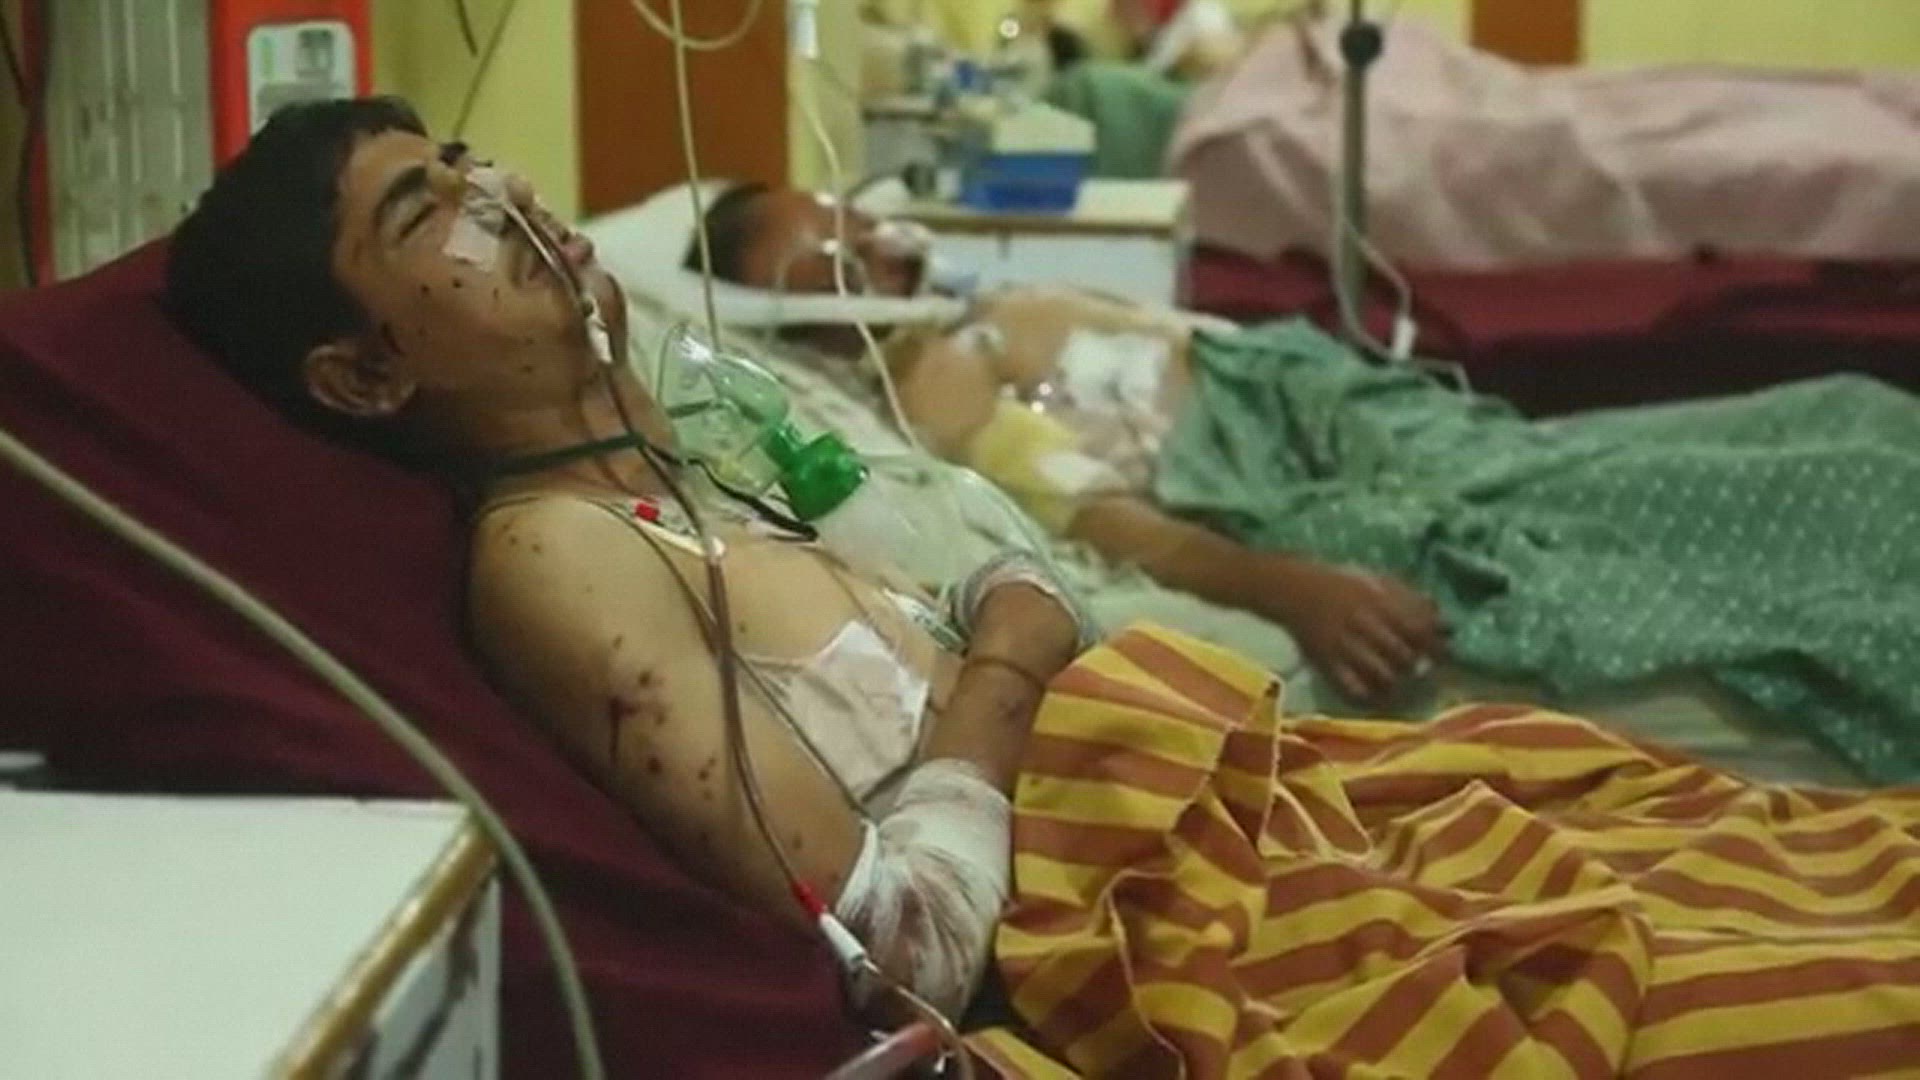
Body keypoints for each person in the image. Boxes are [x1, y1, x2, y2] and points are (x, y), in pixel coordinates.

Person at [164, 99, 1920, 1075]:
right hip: (1160, 912)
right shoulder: (553, 558)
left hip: (1241, 806)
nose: (504, 199)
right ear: (363, 374)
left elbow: (940, 612)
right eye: (428, 214)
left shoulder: (674, 452)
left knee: (1694, 827)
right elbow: (902, 941)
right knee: (1735, 971)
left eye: (469, 161)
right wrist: (1010, 652)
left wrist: (1001, 620)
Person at [690, 182, 1920, 784]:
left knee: (1839, 418)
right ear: (792, 312)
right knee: (1824, 491)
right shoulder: (943, 382)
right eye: (834, 253)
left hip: (1374, 424)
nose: (878, 243)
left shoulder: (995, 308)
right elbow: (1107, 518)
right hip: (1312, 483)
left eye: (856, 216)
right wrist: (1292, 587)